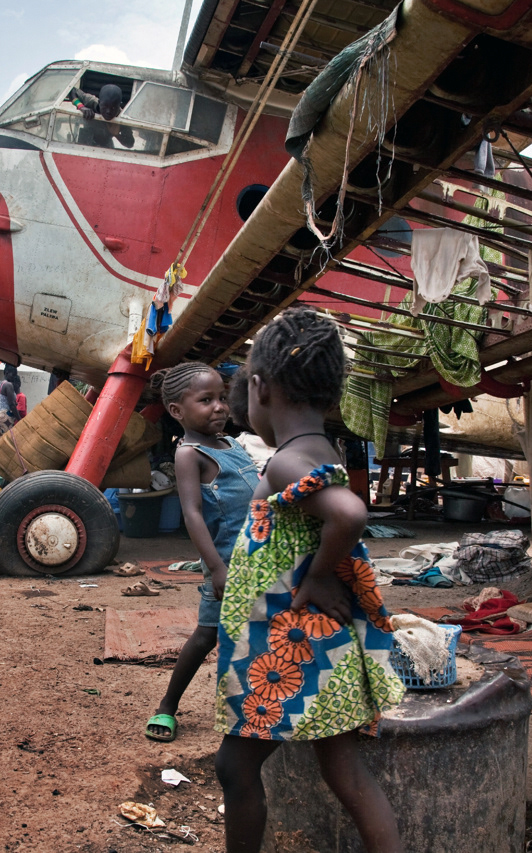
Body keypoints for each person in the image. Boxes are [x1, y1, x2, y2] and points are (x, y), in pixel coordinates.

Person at [216, 307, 405, 853]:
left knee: (234, 765)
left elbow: (349, 513)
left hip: (289, 649)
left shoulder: (284, 462)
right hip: (320, 645)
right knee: (345, 771)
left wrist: (318, 577)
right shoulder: (322, 451)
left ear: (259, 387)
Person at [145, 363, 258, 743]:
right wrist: (216, 567)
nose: (220, 407)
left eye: (222, 398)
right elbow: (192, 513)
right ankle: (167, 704)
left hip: (257, 556)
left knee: (259, 628)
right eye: (206, 400)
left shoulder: (233, 444)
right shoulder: (188, 454)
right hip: (225, 561)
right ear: (177, 411)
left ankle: (254, 700)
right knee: (206, 635)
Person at [69, 83, 134, 149]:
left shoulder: (122, 117)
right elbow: (72, 90)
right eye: (105, 106)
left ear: (119, 105)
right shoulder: (92, 101)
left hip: (105, 146)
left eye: (113, 108)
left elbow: (130, 144)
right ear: (99, 102)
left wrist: (116, 134)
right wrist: (81, 106)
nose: (108, 111)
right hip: (85, 141)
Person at [0, 364, 19, 436]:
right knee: (8, 441)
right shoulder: (9, 385)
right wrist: (19, 418)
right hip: (6, 417)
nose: (14, 377)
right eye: (13, 375)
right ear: (6, 373)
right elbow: (12, 405)